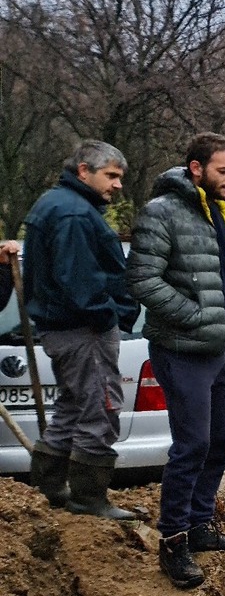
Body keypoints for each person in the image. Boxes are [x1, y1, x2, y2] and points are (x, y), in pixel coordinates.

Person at [127, 133, 225, 590]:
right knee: (191, 445)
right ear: (196, 168)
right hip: (182, 350)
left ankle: (201, 526)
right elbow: (142, 280)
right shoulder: (161, 212)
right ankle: (173, 541)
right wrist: (197, 316)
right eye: (224, 171)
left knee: (221, 439)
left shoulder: (220, 212)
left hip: (224, 347)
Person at [20, 142, 141, 520]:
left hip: (64, 328)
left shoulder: (58, 205)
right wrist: (108, 316)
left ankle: (52, 489)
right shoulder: (72, 214)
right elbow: (79, 280)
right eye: (112, 176)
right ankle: (89, 499)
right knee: (101, 407)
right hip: (83, 330)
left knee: (72, 407)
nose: (118, 185)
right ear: (83, 170)